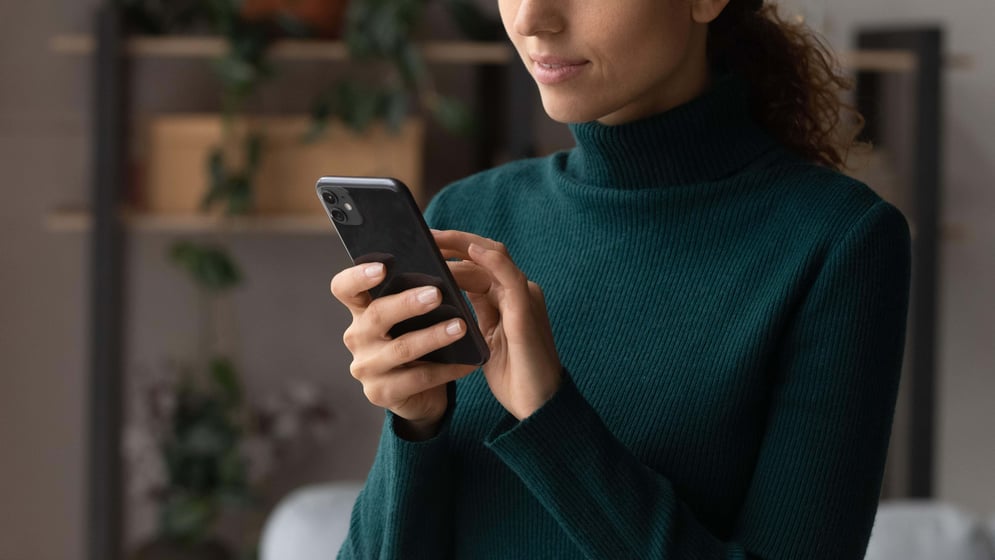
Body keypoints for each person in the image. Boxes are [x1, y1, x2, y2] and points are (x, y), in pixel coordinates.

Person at [329, 0, 911, 558]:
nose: (531, 18)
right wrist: (417, 423)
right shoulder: (470, 216)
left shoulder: (839, 242)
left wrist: (547, 416)